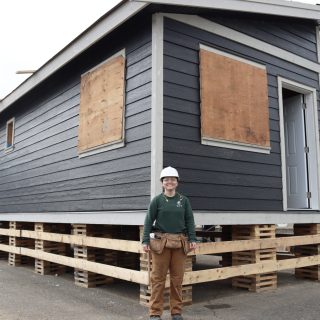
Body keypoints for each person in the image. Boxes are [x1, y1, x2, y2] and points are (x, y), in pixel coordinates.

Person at [142, 166, 197, 320]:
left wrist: (192, 238)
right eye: (166, 179)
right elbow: (148, 220)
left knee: (177, 279)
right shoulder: (157, 200)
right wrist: (145, 240)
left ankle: (176, 312)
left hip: (180, 244)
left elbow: (189, 220)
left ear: (177, 182)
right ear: (162, 183)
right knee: (158, 279)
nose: (169, 182)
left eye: (172, 179)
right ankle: (155, 313)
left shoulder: (183, 200)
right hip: (161, 245)